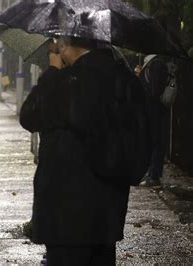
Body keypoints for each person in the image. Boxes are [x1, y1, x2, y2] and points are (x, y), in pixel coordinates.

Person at [20, 37, 135, 265]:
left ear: (66, 46)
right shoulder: (123, 78)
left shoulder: (66, 81)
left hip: (65, 211)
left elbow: (29, 116)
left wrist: (52, 70)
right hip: (106, 211)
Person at [135, 55, 170, 188]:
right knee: (152, 141)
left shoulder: (157, 65)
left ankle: (154, 176)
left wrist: (141, 79)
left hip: (155, 110)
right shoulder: (153, 65)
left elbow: (154, 91)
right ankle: (151, 174)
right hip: (152, 110)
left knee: (155, 141)